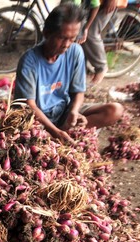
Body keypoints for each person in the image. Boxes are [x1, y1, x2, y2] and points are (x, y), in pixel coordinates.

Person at [14, 3, 124, 144]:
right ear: (47, 33)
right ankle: (57, 135)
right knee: (28, 135)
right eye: (62, 38)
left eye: (72, 38)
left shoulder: (75, 51)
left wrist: (74, 111)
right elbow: (29, 106)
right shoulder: (29, 61)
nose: (67, 44)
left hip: (63, 112)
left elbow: (78, 92)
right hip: (37, 119)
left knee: (115, 110)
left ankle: (64, 134)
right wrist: (55, 131)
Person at [70, 0, 116, 85]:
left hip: (103, 4)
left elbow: (95, 5)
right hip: (89, 6)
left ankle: (101, 67)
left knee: (90, 33)